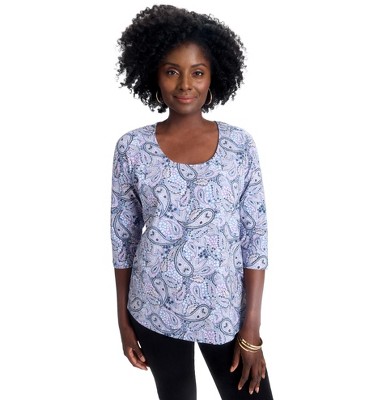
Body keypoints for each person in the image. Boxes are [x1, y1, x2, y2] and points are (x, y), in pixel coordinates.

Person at [110, 5, 273, 399]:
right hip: (153, 307)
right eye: (172, 71)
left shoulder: (239, 145)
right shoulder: (132, 148)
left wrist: (251, 328)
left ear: (213, 75)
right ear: (153, 74)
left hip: (225, 311)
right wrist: (123, 321)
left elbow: (255, 237)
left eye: (197, 72)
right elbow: (122, 240)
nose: (185, 84)